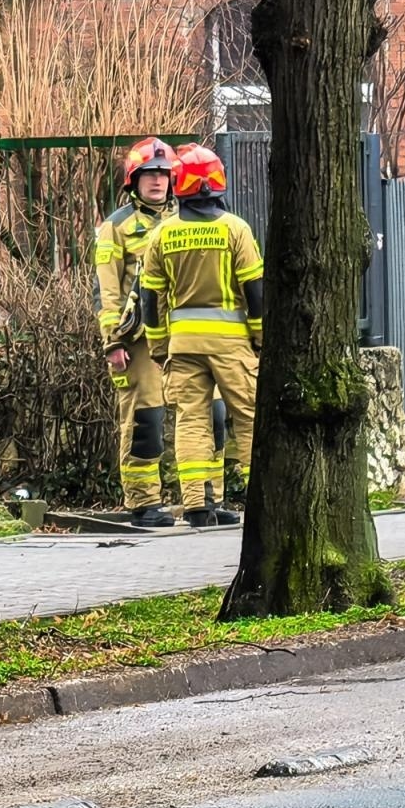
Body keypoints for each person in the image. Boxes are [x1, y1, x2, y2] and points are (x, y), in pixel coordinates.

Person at [140, 143, 262, 527]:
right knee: (248, 419)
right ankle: (261, 498)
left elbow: (149, 299)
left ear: (180, 184)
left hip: (183, 344)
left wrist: (159, 346)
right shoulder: (235, 230)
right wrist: (260, 337)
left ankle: (196, 505)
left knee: (191, 419)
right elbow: (255, 290)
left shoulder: (163, 235)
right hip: (232, 345)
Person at [94, 136, 179, 528]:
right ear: (134, 180)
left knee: (206, 417)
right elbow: (107, 289)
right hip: (139, 337)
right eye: (149, 174)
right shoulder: (117, 227)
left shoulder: (187, 219)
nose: (157, 181)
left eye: (163, 173)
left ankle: (203, 501)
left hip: (185, 333)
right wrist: (112, 341)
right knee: (145, 419)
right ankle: (144, 502)